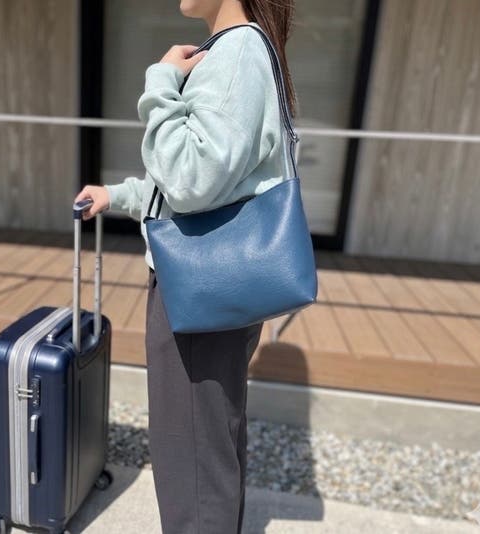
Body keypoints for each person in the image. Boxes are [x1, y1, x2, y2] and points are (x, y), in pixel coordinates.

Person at [74, 1, 298, 532]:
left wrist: (160, 82)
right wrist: (119, 195)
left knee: (192, 463)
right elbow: (203, 183)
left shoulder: (237, 52)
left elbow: (190, 181)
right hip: (223, 281)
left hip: (197, 291)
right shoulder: (242, 49)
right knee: (211, 445)